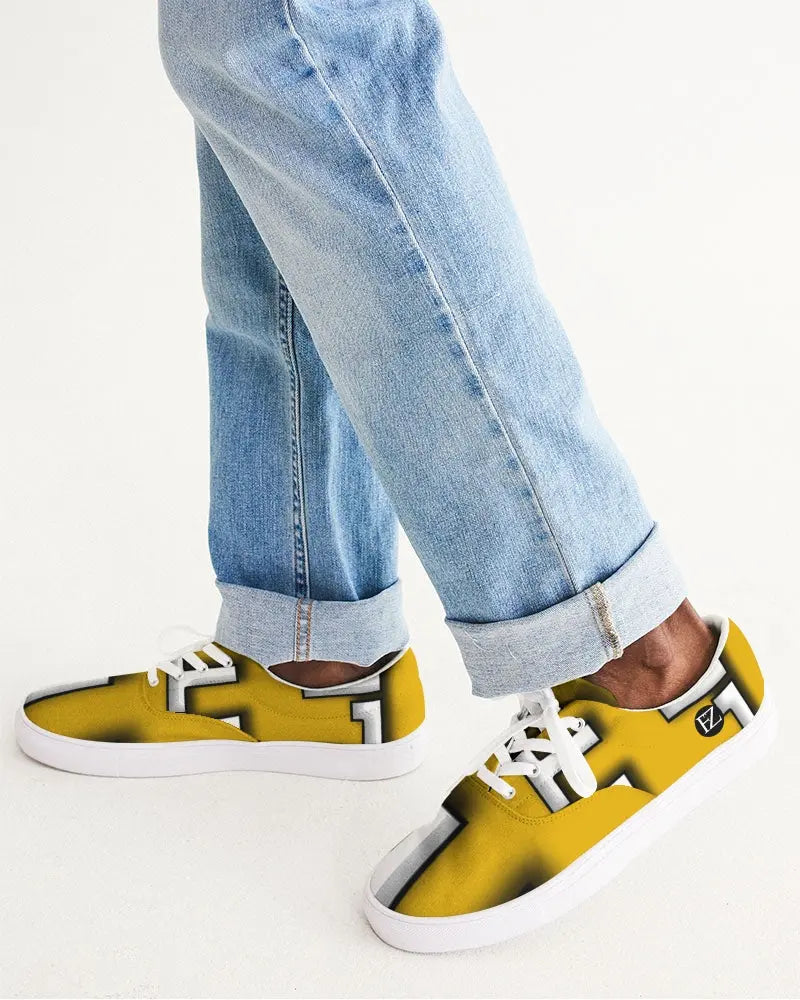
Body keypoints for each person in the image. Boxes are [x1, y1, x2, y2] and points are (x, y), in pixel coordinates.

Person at [14, 0, 775, 953]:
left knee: (292, 36)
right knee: (251, 71)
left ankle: (643, 657)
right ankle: (313, 652)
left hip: (650, 665)